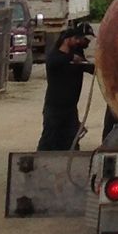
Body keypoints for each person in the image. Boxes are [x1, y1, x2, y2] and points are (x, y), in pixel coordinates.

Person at [38, 20, 94, 152]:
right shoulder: (56, 56)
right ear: (68, 40)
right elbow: (53, 63)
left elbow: (88, 67)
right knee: (49, 140)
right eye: (77, 39)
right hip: (55, 108)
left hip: (70, 109)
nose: (81, 43)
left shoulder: (77, 55)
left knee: (71, 142)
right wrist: (70, 57)